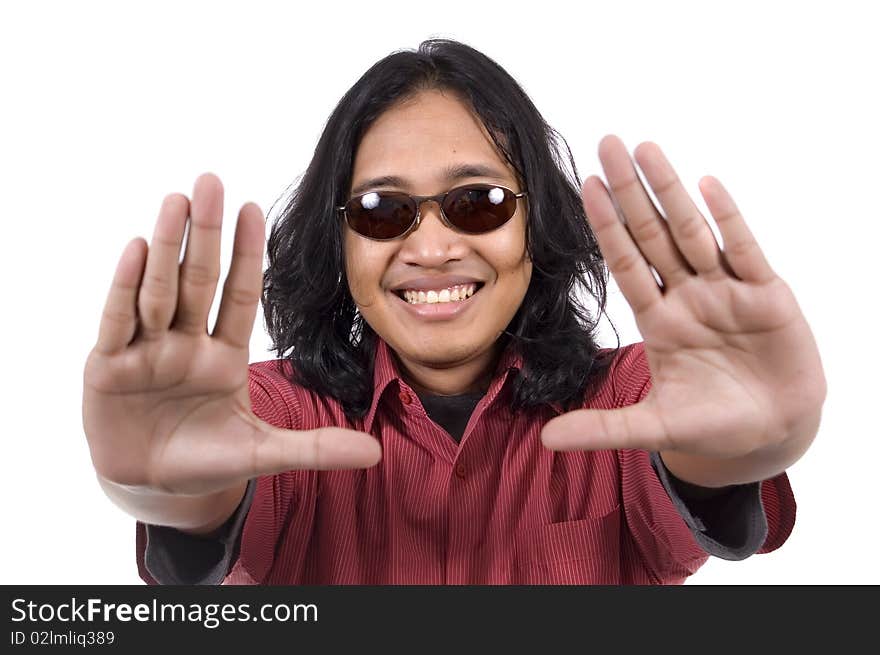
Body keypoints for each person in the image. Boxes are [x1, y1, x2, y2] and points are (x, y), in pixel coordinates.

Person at [82, 39, 825, 585]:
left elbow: (701, 445)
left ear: (534, 225)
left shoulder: (632, 401)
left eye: (479, 202)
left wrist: (741, 450)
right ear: (338, 240)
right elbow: (206, 493)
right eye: (382, 210)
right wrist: (155, 486)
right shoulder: (275, 421)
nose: (432, 247)